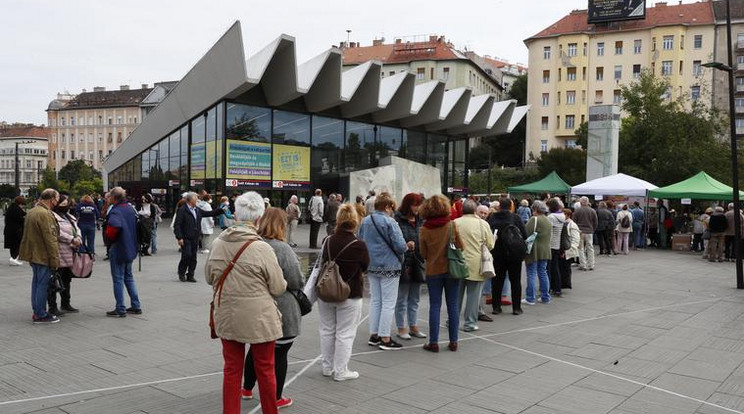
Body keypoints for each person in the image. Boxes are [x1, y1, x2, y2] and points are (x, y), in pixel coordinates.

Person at [206, 192, 286, 414]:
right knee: (266, 368)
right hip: (260, 318)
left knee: (232, 369)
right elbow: (279, 287)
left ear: (236, 214)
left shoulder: (218, 243)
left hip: (227, 314)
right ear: (258, 219)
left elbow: (209, 277)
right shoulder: (262, 248)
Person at [242, 207, 303, 409]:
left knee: (256, 348)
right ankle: (276, 397)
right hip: (281, 308)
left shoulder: (251, 243)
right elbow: (295, 280)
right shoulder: (282, 248)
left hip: (254, 306)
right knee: (280, 352)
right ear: (281, 225)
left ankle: (247, 388)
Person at [318, 203, 369, 381]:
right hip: (350, 293)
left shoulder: (328, 241)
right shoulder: (359, 245)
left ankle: (327, 366)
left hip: (325, 291)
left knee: (326, 330)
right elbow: (365, 266)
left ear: (338, 220)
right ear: (355, 221)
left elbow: (322, 262)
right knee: (345, 333)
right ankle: (340, 371)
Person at [358, 192, 407, 350]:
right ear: (387, 206)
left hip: (371, 266)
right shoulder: (390, 222)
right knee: (388, 303)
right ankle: (385, 337)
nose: (393, 210)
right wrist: (408, 247)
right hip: (390, 266)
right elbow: (400, 246)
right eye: (392, 207)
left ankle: (374, 335)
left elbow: (360, 240)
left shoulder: (366, 221)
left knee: (376, 301)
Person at [419, 194, 463, 352]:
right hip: (451, 269)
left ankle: (434, 342)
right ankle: (454, 341)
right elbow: (461, 246)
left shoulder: (424, 229)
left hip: (433, 270)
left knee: (435, 306)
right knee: (452, 305)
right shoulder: (451, 225)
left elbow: (423, 253)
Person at [19, 189, 60, 324]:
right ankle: (40, 314)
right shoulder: (44, 214)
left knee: (36, 283)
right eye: (57, 198)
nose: (58, 201)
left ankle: (37, 310)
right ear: (52, 198)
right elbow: (50, 238)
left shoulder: (33, 211)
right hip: (42, 254)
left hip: (33, 253)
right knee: (42, 284)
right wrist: (54, 259)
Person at [453, 199, 494, 331]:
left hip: (458, 263)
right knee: (473, 296)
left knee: (455, 295)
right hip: (476, 264)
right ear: (475, 210)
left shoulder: (454, 223)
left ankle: (452, 320)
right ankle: (469, 323)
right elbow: (490, 245)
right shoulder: (483, 224)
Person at [104, 187, 142, 317]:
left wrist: (109, 237)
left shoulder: (116, 211)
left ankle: (120, 308)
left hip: (119, 247)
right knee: (129, 277)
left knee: (118, 279)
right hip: (131, 246)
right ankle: (136, 305)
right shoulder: (130, 208)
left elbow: (114, 227)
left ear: (114, 198)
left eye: (109, 197)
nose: (108, 199)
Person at [393, 193, 426, 340]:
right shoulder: (397, 220)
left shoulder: (421, 220)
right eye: (415, 204)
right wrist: (405, 246)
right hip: (403, 263)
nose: (418, 208)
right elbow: (393, 242)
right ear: (408, 205)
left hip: (418, 262)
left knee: (415, 298)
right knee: (401, 298)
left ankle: (413, 326)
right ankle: (401, 328)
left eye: (419, 204)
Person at [488, 198, 527, 315]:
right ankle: (516, 308)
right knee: (515, 280)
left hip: (498, 253)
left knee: (497, 280)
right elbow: (524, 235)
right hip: (514, 254)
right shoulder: (515, 218)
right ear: (511, 206)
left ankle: (496, 307)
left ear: (499, 206)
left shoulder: (493, 218)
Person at [173, 192, 224, 282]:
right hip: (185, 237)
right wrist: (179, 237)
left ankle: (190, 274)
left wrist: (221, 210)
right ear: (190, 200)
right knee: (186, 255)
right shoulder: (182, 210)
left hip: (195, 237)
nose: (197, 200)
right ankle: (181, 273)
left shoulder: (197, 209)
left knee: (193, 257)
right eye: (196, 198)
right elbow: (177, 225)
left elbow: (209, 213)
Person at [47, 194, 83, 316]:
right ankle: (52, 306)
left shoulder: (69, 216)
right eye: (63, 204)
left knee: (67, 280)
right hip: (59, 252)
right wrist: (71, 239)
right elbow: (57, 232)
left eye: (66, 204)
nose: (65, 206)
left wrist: (78, 238)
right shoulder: (52, 216)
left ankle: (66, 303)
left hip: (71, 253)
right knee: (54, 280)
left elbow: (77, 228)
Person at [523, 200, 552, 305]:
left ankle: (530, 298)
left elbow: (526, 234)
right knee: (543, 272)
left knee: (531, 273)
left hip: (534, 250)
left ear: (535, 209)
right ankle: (545, 297)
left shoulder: (534, 219)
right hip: (545, 250)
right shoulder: (548, 220)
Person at [546, 198, 566, 297]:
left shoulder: (550, 217)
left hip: (550, 245)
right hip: (557, 245)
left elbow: (547, 231)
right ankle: (557, 288)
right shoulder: (562, 216)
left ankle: (547, 288)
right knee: (555, 267)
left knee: (547, 268)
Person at [573, 196, 598, 271]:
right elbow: (595, 222)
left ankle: (583, 264)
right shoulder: (592, 211)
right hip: (589, 231)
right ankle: (591, 264)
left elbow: (574, 222)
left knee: (581, 248)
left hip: (580, 231)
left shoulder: (577, 211)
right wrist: (593, 229)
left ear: (580, 202)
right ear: (587, 202)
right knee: (590, 248)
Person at [561, 208, 581, 291]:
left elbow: (576, 239)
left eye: (564, 214)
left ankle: (565, 284)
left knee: (566, 268)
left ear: (568, 215)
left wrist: (571, 248)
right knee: (563, 267)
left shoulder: (572, 225)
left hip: (568, 250)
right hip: (563, 249)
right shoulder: (563, 223)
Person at [5, 196, 26, 266]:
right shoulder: (16, 209)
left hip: (10, 230)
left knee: (13, 246)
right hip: (15, 231)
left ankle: (14, 258)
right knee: (17, 245)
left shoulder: (12, 208)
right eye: (23, 204)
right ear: (20, 203)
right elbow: (21, 219)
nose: (23, 206)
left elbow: (23, 215)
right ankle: (13, 259)